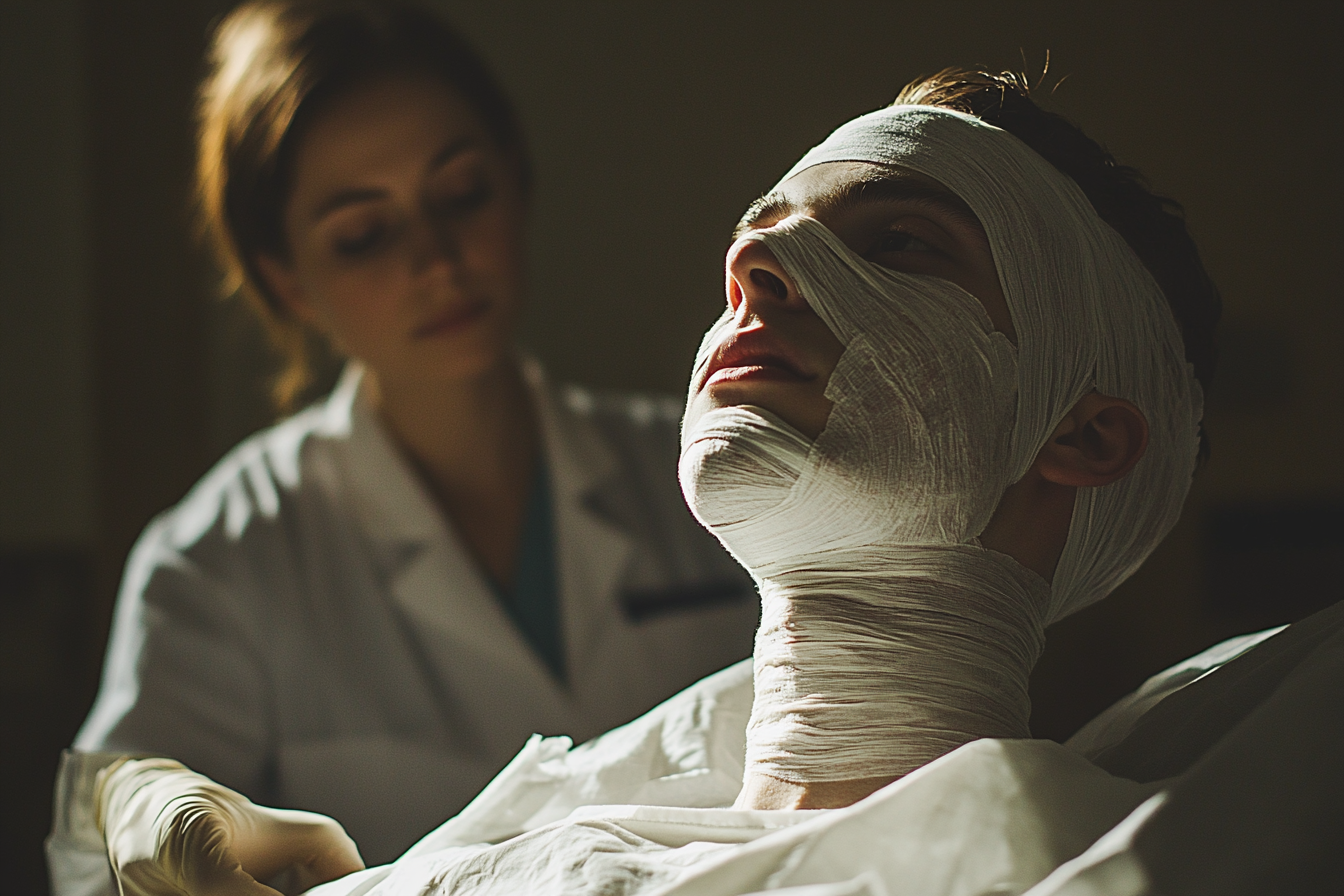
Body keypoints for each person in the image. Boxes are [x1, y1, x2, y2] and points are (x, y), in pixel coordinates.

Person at [76, 68, 1340, 896]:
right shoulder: (531, 839)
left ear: (1087, 435)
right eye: (767, 228)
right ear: (287, 280)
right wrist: (139, 798)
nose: (754, 263)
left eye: (899, 242)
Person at [45, 1, 758, 890]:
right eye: (364, 234)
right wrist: (135, 812)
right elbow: (90, 861)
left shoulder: (709, 469)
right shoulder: (216, 566)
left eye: (461, 194)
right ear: (287, 280)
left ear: (517, 180)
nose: (437, 257)